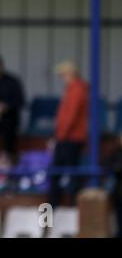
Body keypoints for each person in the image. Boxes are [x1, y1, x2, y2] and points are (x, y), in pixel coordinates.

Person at [48, 61, 88, 208]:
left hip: (69, 139)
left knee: (62, 174)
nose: (62, 78)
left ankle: (60, 207)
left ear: (70, 74)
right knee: (69, 173)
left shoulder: (76, 90)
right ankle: (67, 206)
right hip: (69, 138)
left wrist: (60, 136)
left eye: (63, 75)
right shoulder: (74, 89)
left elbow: (70, 117)